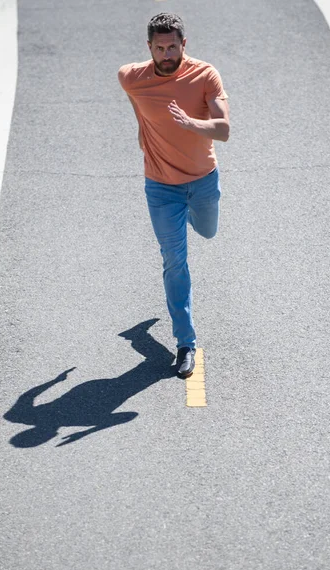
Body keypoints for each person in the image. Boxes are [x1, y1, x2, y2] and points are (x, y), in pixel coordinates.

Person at [118, 12, 230, 378]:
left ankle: (138, 338)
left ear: (185, 44)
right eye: (159, 48)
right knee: (174, 261)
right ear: (149, 48)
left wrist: (190, 123)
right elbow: (139, 103)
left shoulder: (205, 75)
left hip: (202, 180)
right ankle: (186, 343)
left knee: (208, 231)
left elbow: (224, 129)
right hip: (161, 186)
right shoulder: (131, 78)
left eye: (173, 47)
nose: (166, 54)